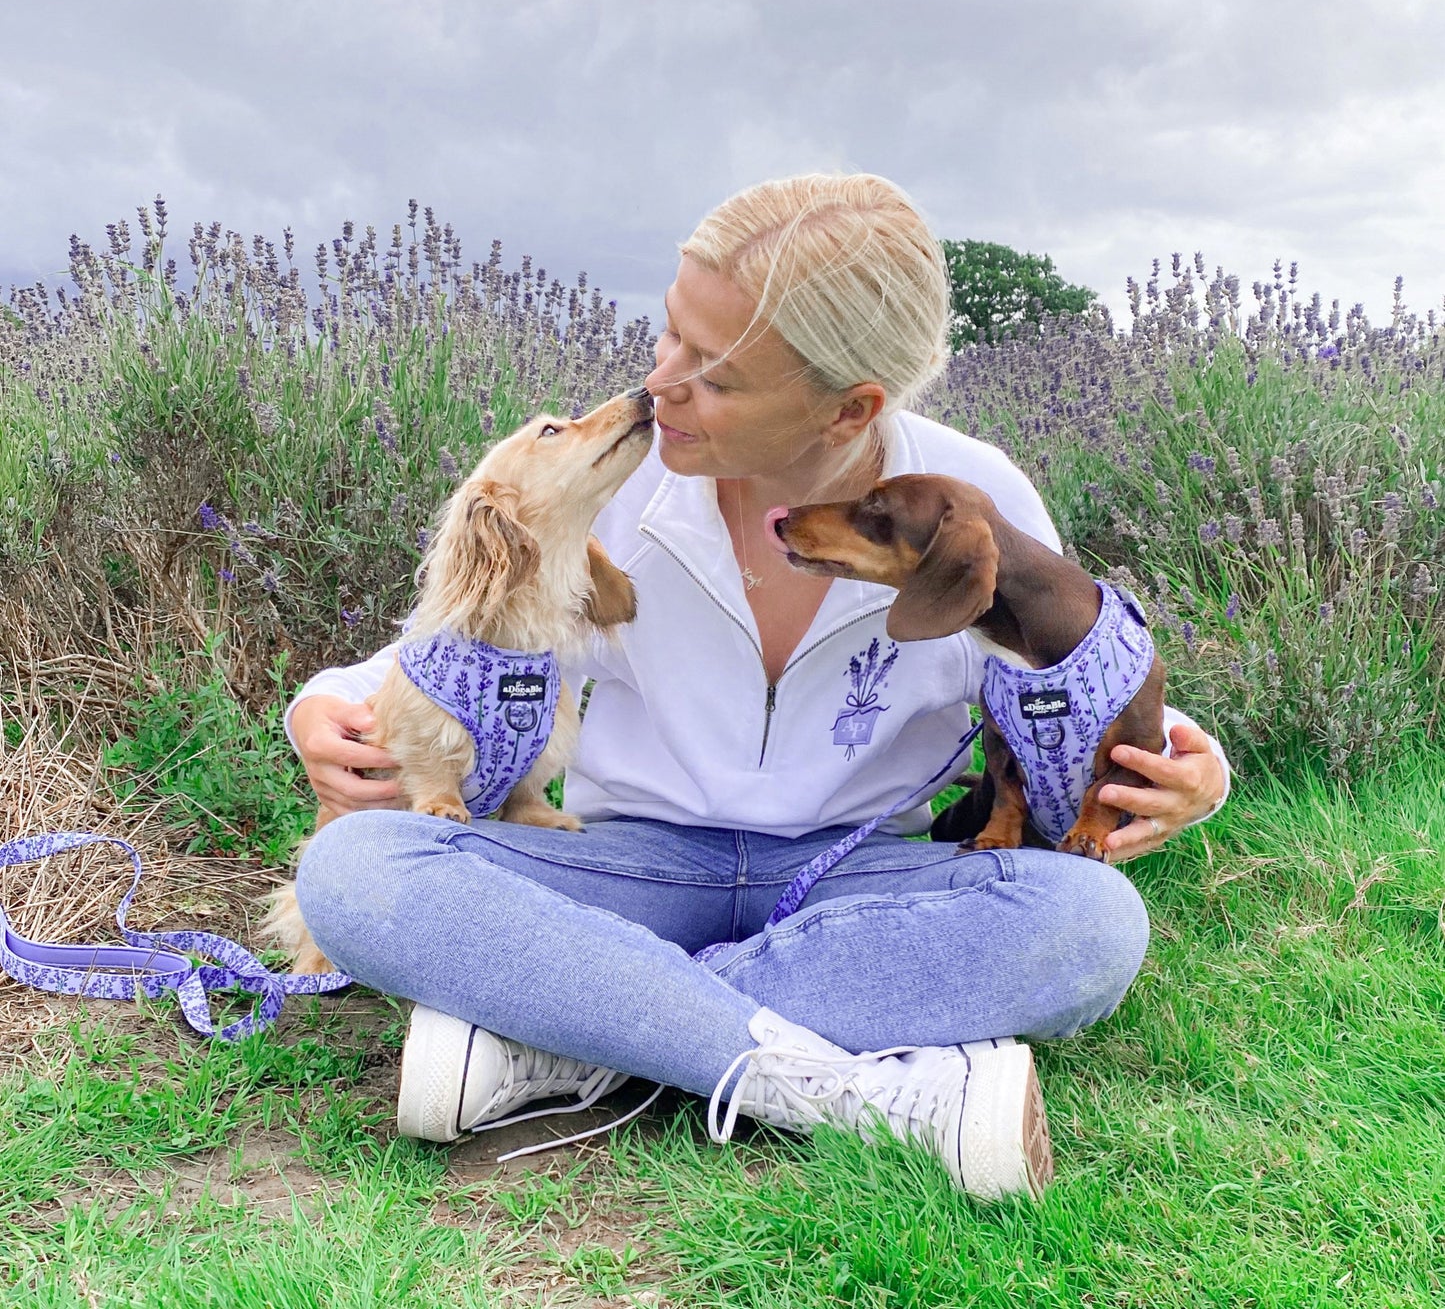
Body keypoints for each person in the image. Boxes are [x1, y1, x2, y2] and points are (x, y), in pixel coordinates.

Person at [287, 174, 1229, 1201]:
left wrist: (1182, 759)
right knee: (356, 871)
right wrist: (324, 701)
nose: (661, 384)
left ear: (850, 408)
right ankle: (860, 1087)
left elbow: (1049, 664)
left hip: (853, 876)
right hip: (627, 868)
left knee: (1091, 925)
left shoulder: (965, 498)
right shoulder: (619, 479)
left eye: (716, 376)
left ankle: (569, 1042)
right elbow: (469, 629)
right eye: (669, 337)